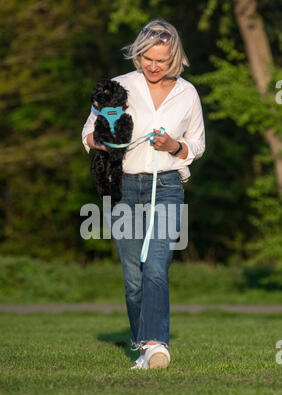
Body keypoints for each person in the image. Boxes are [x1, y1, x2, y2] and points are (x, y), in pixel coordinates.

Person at [81, 18, 205, 369]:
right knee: (133, 277)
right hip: (123, 186)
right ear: (138, 55)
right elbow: (88, 133)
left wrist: (173, 144)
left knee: (156, 267)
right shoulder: (118, 87)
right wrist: (102, 142)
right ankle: (142, 346)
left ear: (175, 59)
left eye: (161, 60)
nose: (153, 66)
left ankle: (156, 343)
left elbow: (197, 144)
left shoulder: (188, 94)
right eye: (147, 58)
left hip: (166, 186)